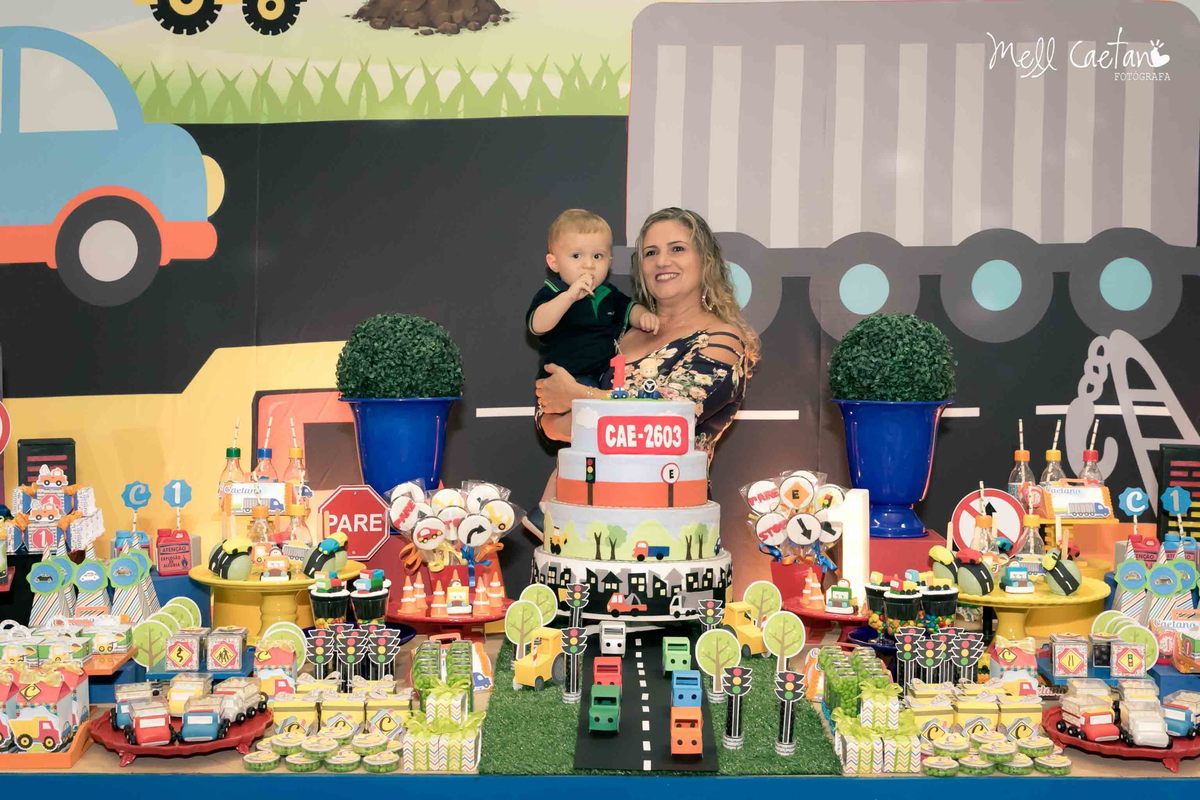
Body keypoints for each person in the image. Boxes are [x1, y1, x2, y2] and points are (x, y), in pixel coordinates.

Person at [524, 207, 761, 536]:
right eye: (651, 252)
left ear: (705, 260)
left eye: (677, 248)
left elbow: (670, 418)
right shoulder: (617, 333)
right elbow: (551, 419)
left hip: (666, 527)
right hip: (581, 529)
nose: (662, 261)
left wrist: (580, 398)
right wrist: (566, 411)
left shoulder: (721, 341)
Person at [526, 209, 659, 385]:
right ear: (554, 263)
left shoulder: (608, 293)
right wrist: (569, 297)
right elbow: (537, 325)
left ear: (609, 262)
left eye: (597, 256)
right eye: (576, 256)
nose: (589, 265)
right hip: (563, 379)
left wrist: (643, 316)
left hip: (604, 377)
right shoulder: (552, 292)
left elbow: (630, 308)